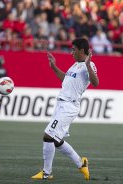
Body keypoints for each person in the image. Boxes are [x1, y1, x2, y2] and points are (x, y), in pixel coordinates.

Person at [31, 38, 99, 180]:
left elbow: (95, 82)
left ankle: (47, 173)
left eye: (73, 49)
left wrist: (87, 65)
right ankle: (81, 163)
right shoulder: (75, 65)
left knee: (48, 135)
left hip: (70, 105)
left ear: (81, 50)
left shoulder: (89, 64)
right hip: (61, 104)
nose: (71, 52)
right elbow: (65, 79)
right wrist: (54, 67)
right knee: (55, 139)